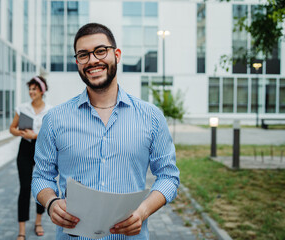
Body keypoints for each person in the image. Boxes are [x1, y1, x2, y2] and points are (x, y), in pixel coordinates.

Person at [32, 23, 180, 239]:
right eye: (83, 55)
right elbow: (41, 177)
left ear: (116, 54)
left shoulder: (151, 117)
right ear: (77, 62)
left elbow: (168, 176)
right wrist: (51, 202)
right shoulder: (55, 120)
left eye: (100, 51)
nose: (92, 60)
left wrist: (143, 211)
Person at [9, 76, 52, 240]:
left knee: (40, 187)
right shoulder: (22, 108)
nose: (31, 92)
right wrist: (21, 132)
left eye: (34, 89)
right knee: (25, 187)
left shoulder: (50, 110)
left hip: (41, 150)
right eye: (30, 89)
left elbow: (50, 134)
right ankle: (21, 229)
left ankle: (38, 222)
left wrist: (35, 135)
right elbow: (12, 129)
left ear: (42, 91)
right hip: (25, 149)